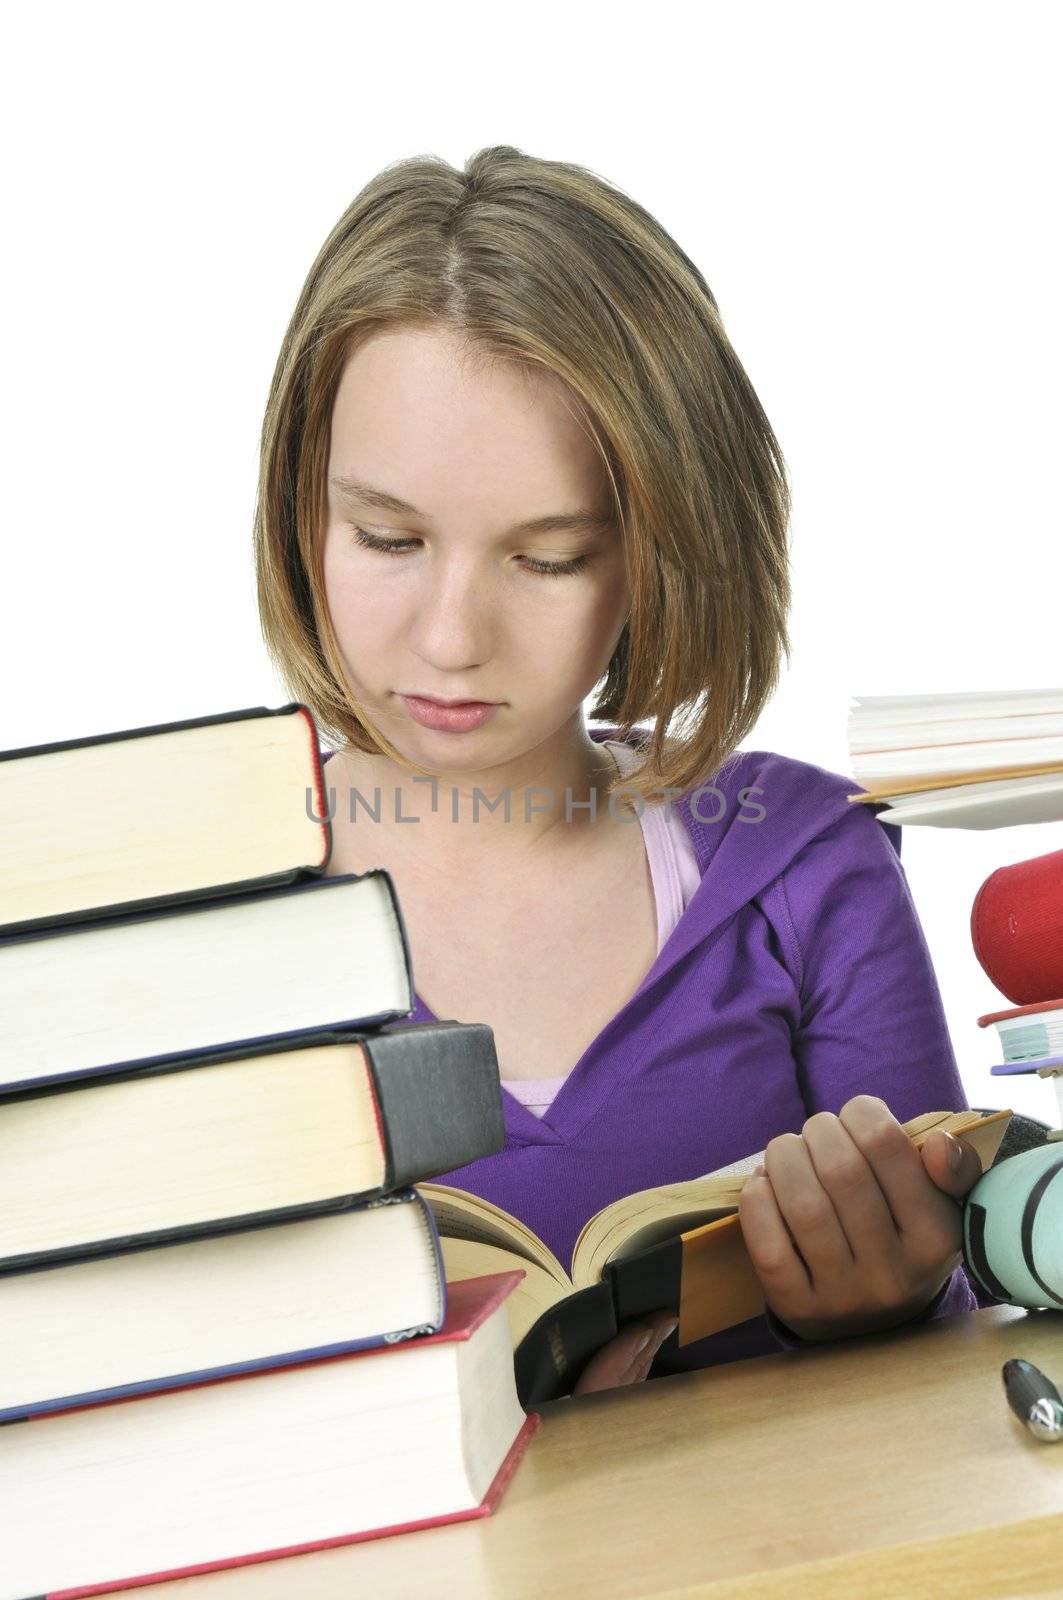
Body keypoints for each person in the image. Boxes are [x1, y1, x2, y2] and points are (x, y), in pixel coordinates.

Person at [254, 144, 996, 1396]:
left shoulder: (801, 868)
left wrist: (893, 1299)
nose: (449, 638)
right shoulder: (185, 932)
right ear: (300, 508)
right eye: (387, 537)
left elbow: (975, 1378)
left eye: (544, 559)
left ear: (661, 550)